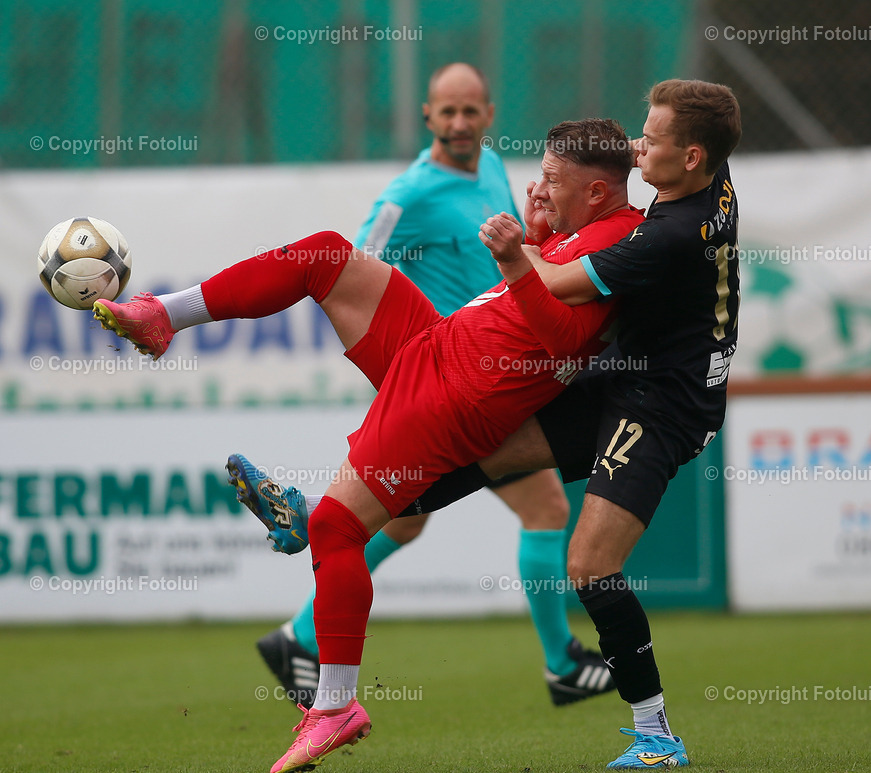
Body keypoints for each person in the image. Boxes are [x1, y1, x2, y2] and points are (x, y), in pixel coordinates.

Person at [93, 118, 644, 773]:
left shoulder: (621, 242)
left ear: (600, 190)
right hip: (441, 347)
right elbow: (540, 302)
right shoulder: (592, 227)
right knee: (327, 255)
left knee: (335, 528)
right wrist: (540, 234)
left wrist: (516, 255)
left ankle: (335, 705)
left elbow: (559, 340)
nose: (540, 186)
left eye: (555, 180)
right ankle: (164, 316)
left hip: (457, 393)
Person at [235, 79, 742, 770]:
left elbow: (553, 289)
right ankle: (330, 519)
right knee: (476, 451)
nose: (636, 144)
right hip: (617, 374)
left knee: (590, 563)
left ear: (689, 157)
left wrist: (525, 240)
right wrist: (586, 179)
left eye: (648, 139)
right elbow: (648, 157)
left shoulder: (666, 236)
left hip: (664, 402)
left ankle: (657, 737)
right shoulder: (710, 167)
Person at [251, 61, 613, 712]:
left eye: (470, 111)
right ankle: (561, 663)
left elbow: (510, 266)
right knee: (542, 510)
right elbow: (357, 264)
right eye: (447, 112)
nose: (459, 123)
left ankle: (298, 634)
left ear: (489, 115)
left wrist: (532, 235)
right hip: (437, 374)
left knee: (407, 517)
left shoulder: (496, 169)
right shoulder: (409, 194)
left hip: (486, 377)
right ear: (427, 116)